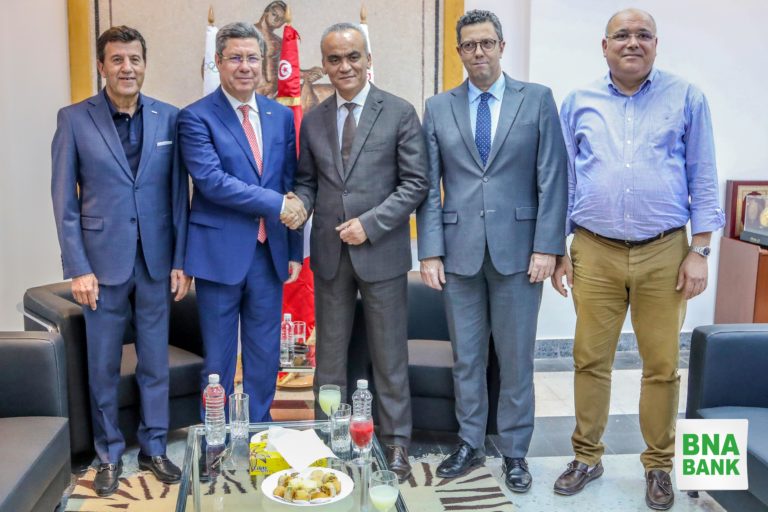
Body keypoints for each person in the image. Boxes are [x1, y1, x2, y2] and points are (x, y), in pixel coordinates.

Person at [552, 9, 724, 510]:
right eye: (622, 35)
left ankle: (659, 465)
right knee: (590, 360)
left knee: (662, 365)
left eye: (643, 34)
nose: (633, 42)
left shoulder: (687, 97)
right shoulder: (578, 102)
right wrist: (559, 248)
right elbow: (565, 180)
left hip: (665, 252)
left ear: (656, 43)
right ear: (603, 45)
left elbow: (703, 175)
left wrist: (700, 250)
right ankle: (587, 456)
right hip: (594, 250)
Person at [416, 9, 567, 492]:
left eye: (486, 43)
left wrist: (548, 246)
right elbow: (429, 187)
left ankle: (516, 451)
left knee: (517, 358)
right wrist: (430, 251)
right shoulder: (438, 106)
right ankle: (469, 442)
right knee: (467, 358)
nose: (478, 52)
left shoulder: (537, 99)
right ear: (459, 51)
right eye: (469, 45)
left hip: (520, 254)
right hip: (458, 253)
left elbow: (553, 177)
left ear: (501, 46)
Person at [51, 26, 190, 496]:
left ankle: (154, 447)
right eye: (117, 60)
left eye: (134, 59)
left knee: (154, 362)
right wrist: (77, 267)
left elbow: (178, 196)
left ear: (144, 64)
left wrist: (180, 260)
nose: (127, 68)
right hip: (100, 265)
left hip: (156, 262)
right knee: (104, 365)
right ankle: (108, 452)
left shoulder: (169, 118)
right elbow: (64, 202)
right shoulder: (74, 119)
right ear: (102, 66)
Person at [292, 22, 428, 482]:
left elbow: (416, 183)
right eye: (334, 59)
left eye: (353, 56)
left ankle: (396, 442)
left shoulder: (400, 111)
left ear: (368, 59)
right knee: (329, 359)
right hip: (330, 255)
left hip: (382, 253)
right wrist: (299, 205)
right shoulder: (314, 119)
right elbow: (307, 182)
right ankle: (329, 438)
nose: (344, 66)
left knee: (388, 357)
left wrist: (369, 224)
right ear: (324, 65)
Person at [178, 22, 305, 427]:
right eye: (235, 58)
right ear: (218, 62)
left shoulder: (279, 116)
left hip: (269, 254)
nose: (245, 66)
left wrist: (295, 248)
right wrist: (277, 205)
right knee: (217, 359)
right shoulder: (196, 117)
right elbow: (213, 182)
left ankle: (258, 431)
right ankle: (215, 437)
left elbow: (289, 182)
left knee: (264, 355)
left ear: (263, 62)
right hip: (219, 256)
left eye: (252, 57)